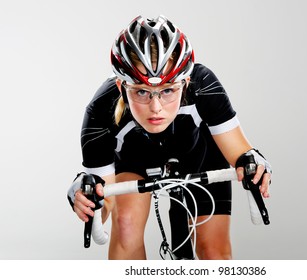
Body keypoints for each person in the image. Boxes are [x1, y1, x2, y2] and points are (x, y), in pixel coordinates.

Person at [67, 15, 272, 260]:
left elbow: (240, 153)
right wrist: (89, 201)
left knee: (214, 253)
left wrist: (254, 165)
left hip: (201, 156)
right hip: (135, 163)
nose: (156, 107)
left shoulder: (203, 84)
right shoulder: (101, 109)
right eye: (142, 92)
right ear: (122, 87)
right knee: (126, 224)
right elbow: (104, 206)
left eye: (168, 90)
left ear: (185, 83)